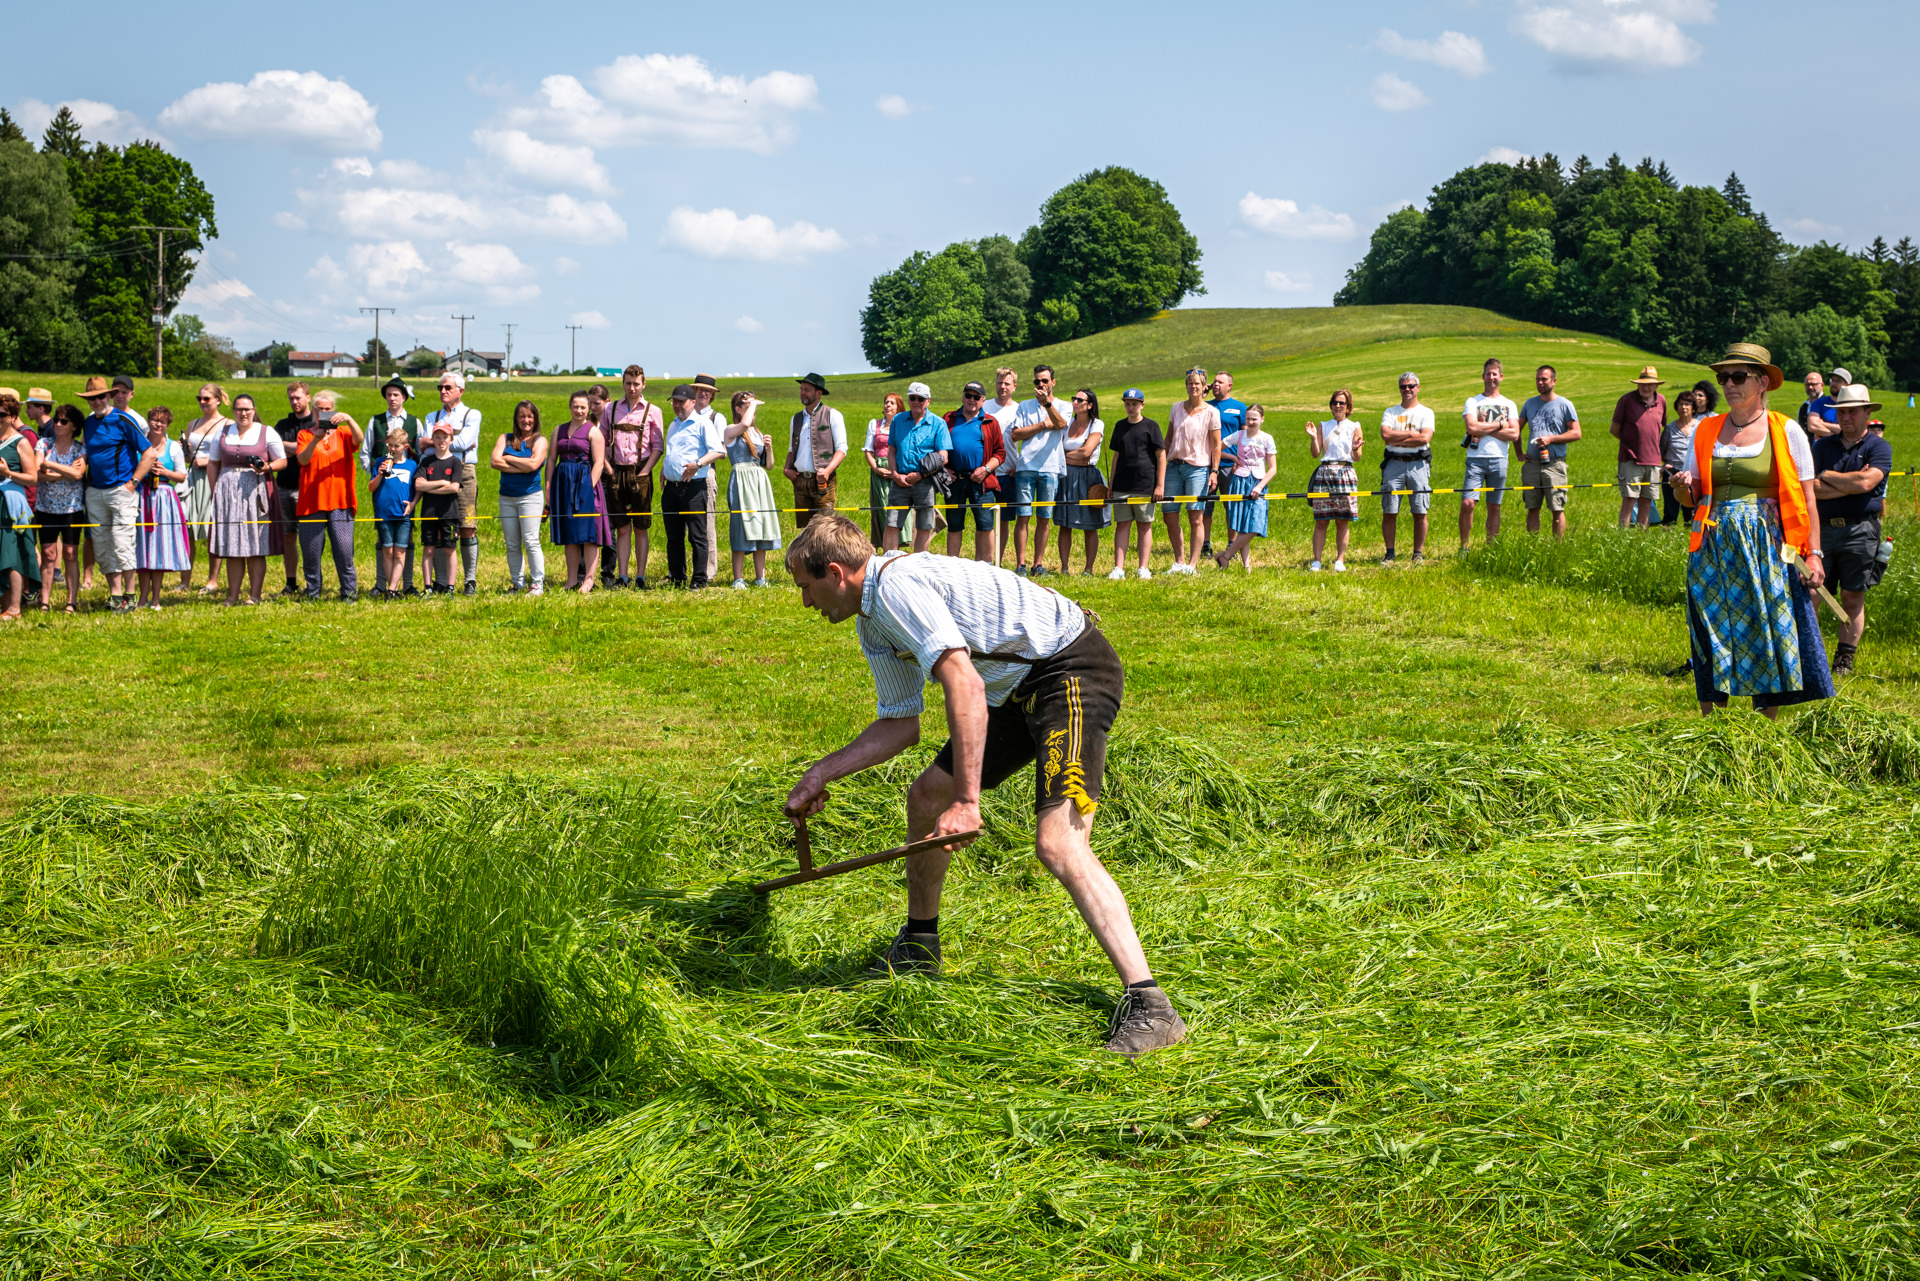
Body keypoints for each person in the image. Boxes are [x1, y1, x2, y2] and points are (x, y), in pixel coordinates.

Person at [781, 515, 1187, 1058]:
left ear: (835, 573)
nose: (805, 602)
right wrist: (820, 773)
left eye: (806, 588)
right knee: (926, 798)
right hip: (1015, 692)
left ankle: (1151, 1005)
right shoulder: (872, 620)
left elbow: (965, 684)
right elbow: (900, 724)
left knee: (1058, 843)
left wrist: (968, 802)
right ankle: (920, 944)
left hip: (1068, 670)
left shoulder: (897, 590)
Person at [1668, 343, 1832, 717]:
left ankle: (1764, 727)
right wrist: (1680, 486)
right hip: (1713, 544)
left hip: (1768, 545)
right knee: (1711, 625)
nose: (1729, 384)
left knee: (1765, 625)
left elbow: (1807, 497)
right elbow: (1691, 496)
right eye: (1724, 377)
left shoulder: (1786, 430)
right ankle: (1712, 724)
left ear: (1762, 383)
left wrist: (1814, 554)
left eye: (1738, 376)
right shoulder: (1705, 430)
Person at [1811, 383, 1894, 676]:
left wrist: (1829, 476)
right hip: (1821, 529)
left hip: (1861, 530)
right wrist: (1853, 485)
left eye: (1853, 412)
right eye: (1842, 412)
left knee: (1852, 596)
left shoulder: (1878, 447)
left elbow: (1867, 483)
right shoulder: (1822, 446)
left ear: (1867, 412)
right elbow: (1811, 487)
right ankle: (1812, 656)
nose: (1846, 417)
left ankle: (1844, 659)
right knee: (1813, 592)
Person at [79, 375, 160, 613]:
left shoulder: (123, 419)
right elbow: (86, 453)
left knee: (123, 542)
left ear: (109, 396)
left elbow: (149, 453)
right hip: (95, 491)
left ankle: (130, 595)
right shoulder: (88, 423)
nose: (97, 402)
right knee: (102, 544)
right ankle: (115, 595)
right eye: (92, 398)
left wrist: (133, 483)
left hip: (121, 490)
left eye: (100, 397)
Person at [202, 392, 287, 606]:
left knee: (255, 545)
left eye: (247, 409)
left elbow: (282, 461)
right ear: (233, 411)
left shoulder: (266, 432)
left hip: (256, 491)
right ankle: (232, 596)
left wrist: (267, 467)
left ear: (253, 410)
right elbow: (213, 463)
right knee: (233, 547)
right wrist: (215, 491)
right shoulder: (223, 432)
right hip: (227, 491)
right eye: (239, 409)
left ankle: (254, 596)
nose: (243, 413)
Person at [294, 391, 362, 601]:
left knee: (344, 551)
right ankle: (313, 592)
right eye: (320, 409)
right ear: (314, 411)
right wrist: (315, 441)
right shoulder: (305, 435)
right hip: (311, 502)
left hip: (340, 501)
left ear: (334, 410)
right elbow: (303, 460)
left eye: (328, 409)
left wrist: (349, 419)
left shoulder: (343, 433)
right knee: (311, 553)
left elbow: (359, 440)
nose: (324, 412)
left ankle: (349, 593)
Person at [361, 374, 425, 595]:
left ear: (404, 397)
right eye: (388, 394)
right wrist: (375, 473)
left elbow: (420, 454)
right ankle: (382, 584)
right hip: (382, 485)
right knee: (384, 538)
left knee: (406, 537)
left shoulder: (415, 422)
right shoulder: (376, 421)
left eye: (396, 394)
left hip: (406, 486)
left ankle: (406, 584)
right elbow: (366, 452)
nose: (392, 398)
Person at [601, 365, 663, 589]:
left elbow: (658, 446)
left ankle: (640, 576)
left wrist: (645, 472)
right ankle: (623, 576)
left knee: (641, 527)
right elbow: (601, 441)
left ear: (643, 384)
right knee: (622, 527)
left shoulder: (653, 411)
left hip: (640, 471)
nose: (632, 388)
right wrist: (609, 469)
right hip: (616, 471)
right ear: (623, 384)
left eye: (636, 384)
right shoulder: (610, 409)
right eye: (628, 383)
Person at [423, 372, 483, 595]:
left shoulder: (472, 414)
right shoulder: (432, 416)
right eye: (440, 387)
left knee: (467, 525)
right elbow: (425, 448)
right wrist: (454, 442)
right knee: (439, 526)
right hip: (436, 471)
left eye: (447, 387)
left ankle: (470, 580)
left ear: (461, 390)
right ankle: (441, 582)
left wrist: (432, 441)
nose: (443, 391)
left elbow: (464, 442)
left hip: (465, 473)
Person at [1008, 365, 1070, 576]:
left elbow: (1060, 424)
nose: (1041, 384)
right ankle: (1020, 565)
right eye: (1037, 381)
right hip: (1026, 466)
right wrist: (1042, 425)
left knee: (1044, 518)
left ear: (1053, 382)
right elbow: (1015, 435)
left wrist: (1048, 405)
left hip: (1050, 467)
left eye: (1044, 380)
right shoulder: (1024, 406)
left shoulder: (1063, 405)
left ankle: (1038, 564)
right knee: (1023, 516)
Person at [661, 384, 725, 589]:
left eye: (681, 402)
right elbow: (671, 452)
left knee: (697, 536)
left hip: (693, 487)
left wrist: (698, 464)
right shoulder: (673, 425)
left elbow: (718, 451)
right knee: (674, 537)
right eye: (674, 401)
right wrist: (664, 470)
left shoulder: (702, 423)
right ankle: (677, 577)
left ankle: (699, 579)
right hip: (671, 488)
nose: (677, 405)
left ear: (693, 402)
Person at [548, 391, 612, 593]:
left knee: (589, 534)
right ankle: (572, 579)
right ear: (570, 407)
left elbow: (599, 462)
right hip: (563, 486)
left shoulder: (594, 432)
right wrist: (549, 486)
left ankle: (589, 580)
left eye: (583, 407)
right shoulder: (558, 430)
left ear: (588, 409)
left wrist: (588, 486)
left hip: (585, 485)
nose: (579, 410)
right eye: (575, 406)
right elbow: (551, 460)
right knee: (570, 533)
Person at [1161, 367, 1221, 575]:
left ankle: (1192, 565)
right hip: (1173, 467)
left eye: (1197, 383)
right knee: (1169, 515)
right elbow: (1168, 439)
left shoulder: (1212, 412)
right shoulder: (1176, 408)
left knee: (1196, 517)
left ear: (1204, 386)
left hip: (1198, 469)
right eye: (1190, 383)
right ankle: (1179, 561)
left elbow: (1216, 445)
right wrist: (1161, 466)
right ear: (1186, 386)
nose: (1193, 387)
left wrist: (1214, 471)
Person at [1459, 358, 1519, 551]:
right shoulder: (1473, 402)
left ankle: (1490, 547)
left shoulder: (1509, 404)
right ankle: (1464, 547)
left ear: (1501, 377)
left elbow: (1514, 434)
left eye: (1494, 374)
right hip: (1475, 460)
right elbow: (1471, 427)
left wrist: (1483, 428)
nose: (1491, 377)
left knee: (1494, 506)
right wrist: (1500, 424)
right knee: (1468, 503)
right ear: (1483, 376)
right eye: (1488, 374)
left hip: (1499, 459)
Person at [883, 383, 950, 554]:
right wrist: (895, 474)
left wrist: (920, 475)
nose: (916, 402)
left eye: (921, 399)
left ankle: (919, 564)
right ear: (908, 399)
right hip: (900, 481)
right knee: (891, 524)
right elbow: (891, 450)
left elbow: (943, 457)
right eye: (913, 398)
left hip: (925, 482)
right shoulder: (898, 420)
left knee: (924, 526)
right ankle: (888, 562)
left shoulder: (938, 423)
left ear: (928, 401)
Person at [1105, 389, 1164, 581]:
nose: (1131, 407)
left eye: (1134, 404)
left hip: (1144, 484)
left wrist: (1160, 485)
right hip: (1122, 484)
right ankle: (1118, 568)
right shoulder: (1119, 426)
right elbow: (1116, 456)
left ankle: (1143, 567)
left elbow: (1161, 456)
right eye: (1127, 404)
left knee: (1144, 525)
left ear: (1142, 405)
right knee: (1122, 524)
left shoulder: (1151, 426)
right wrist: (1111, 484)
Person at [135, 406, 191, 609]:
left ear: (168, 425)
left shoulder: (173, 447)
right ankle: (142, 597)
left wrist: (164, 471)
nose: (158, 424)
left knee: (159, 547)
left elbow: (182, 476)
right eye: (154, 420)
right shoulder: (139, 444)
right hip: (142, 496)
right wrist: (144, 470)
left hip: (164, 498)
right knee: (142, 547)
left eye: (162, 422)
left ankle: (156, 598)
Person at [943, 381, 1005, 562]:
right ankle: (952, 566)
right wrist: (944, 470)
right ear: (963, 397)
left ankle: (985, 566)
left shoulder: (990, 422)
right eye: (968, 395)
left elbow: (1000, 453)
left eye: (976, 397)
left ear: (983, 400)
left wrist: (986, 469)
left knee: (985, 525)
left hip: (981, 481)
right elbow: (936, 447)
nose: (971, 400)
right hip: (954, 480)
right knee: (954, 525)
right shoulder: (949, 418)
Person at [725, 391, 782, 588]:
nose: (753, 410)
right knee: (742, 526)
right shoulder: (731, 429)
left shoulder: (756, 433)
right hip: (742, 480)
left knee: (761, 526)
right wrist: (754, 403)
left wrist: (769, 448)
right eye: (747, 406)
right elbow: (744, 424)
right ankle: (738, 578)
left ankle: (761, 578)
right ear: (738, 409)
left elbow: (769, 465)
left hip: (758, 480)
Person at [492, 400, 549, 596]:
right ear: (516, 419)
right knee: (512, 543)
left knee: (531, 540)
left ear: (535, 419)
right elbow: (494, 461)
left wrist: (508, 458)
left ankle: (537, 584)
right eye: (522, 416)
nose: (526, 420)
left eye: (530, 416)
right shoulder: (505, 438)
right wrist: (522, 466)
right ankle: (518, 584)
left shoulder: (540, 441)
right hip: (506, 497)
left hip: (530, 497)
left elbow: (534, 465)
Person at [33, 405, 85, 613]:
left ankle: (71, 602)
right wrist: (66, 472)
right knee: (48, 553)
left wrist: (50, 465)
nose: (58, 424)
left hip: (72, 508)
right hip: (46, 507)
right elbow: (37, 473)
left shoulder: (80, 449)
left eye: (64, 421)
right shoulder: (43, 444)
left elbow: (78, 475)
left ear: (74, 427)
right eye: (56, 420)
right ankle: (44, 602)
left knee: (71, 553)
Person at [1518, 365, 1581, 538]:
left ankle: (1556, 547)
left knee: (1557, 507)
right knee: (1532, 507)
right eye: (1537, 379)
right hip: (1532, 464)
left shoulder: (1564, 405)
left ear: (1554, 381)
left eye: (1544, 379)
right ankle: (1533, 545)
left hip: (1554, 464)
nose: (1540, 382)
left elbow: (1576, 433)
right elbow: (1516, 430)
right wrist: (1519, 453)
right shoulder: (1529, 404)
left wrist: (1551, 439)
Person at [1378, 371, 1435, 564]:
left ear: (1418, 388)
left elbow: (1425, 438)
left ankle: (1417, 554)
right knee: (1389, 510)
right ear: (1399, 389)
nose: (1407, 389)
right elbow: (1385, 435)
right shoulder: (1390, 412)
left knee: (1420, 510)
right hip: (1394, 463)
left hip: (1418, 464)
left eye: (1411, 386)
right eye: (1403, 386)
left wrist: (1398, 438)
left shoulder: (1426, 412)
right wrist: (1412, 434)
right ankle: (1390, 553)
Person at [1213, 404, 1277, 571]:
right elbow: (1216, 447)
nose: (1251, 422)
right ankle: (1246, 566)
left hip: (1258, 482)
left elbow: (1273, 468)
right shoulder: (1239, 435)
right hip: (1240, 481)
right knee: (1243, 526)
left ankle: (1225, 555)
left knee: (1255, 525)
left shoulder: (1267, 438)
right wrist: (1232, 457)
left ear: (1262, 419)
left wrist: (1260, 486)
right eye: (1248, 418)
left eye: (1254, 418)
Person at [1307, 389, 1364, 572]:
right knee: (1321, 520)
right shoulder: (1323, 425)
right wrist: (1314, 438)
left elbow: (1357, 457)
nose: (1338, 406)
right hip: (1325, 472)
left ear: (1348, 406)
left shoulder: (1354, 426)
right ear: (1331, 405)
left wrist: (1355, 448)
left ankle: (1340, 560)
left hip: (1345, 472)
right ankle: (1317, 561)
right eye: (1335, 403)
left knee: (1342, 519)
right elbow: (1315, 454)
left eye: (1342, 403)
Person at [180, 383, 229, 592]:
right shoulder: (193, 423)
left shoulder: (227, 424)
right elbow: (188, 457)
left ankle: (212, 580)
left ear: (218, 400)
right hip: (192, 479)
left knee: (213, 529)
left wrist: (208, 461)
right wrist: (184, 451)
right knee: (187, 529)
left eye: (206, 398)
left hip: (214, 478)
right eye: (199, 398)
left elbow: (232, 454)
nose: (202, 402)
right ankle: (184, 581)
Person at [1054, 389, 1109, 575]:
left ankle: (1088, 569)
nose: (1075, 402)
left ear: (1090, 405)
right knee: (1065, 524)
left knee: (1090, 525)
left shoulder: (1097, 424)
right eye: (1074, 399)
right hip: (1066, 476)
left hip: (1088, 476)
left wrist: (1065, 456)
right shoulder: (1068, 422)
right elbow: (1062, 450)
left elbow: (1087, 452)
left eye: (1080, 400)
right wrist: (1073, 457)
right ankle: (1064, 568)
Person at [784, 372, 847, 531]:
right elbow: (792, 448)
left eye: (807, 390)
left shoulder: (833, 415)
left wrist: (827, 471)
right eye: (801, 389)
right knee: (805, 531)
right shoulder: (796, 418)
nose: (802, 393)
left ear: (819, 393)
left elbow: (842, 449)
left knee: (824, 529)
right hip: (800, 480)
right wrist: (787, 468)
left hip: (823, 481)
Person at [272, 381, 316, 596]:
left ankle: (312, 582)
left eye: (298, 397)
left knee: (309, 538)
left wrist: (290, 447)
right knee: (288, 536)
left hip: (308, 488)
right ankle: (291, 582)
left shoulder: (317, 423)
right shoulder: (282, 425)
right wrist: (302, 449)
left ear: (308, 397)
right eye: (291, 398)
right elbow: (274, 450)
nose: (294, 401)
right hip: (283, 486)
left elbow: (311, 451)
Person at [0, 393, 41, 620]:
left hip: (10, 504)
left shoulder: (21, 442)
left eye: (2, 414)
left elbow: (32, 478)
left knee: (11, 554)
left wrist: (7, 473)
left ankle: (14, 608)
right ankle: (4, 606)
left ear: (12, 416)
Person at [1611, 366, 1667, 528]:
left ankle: (1641, 536)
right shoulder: (1626, 400)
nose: (1646, 387)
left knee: (1647, 501)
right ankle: (1623, 535)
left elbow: (1660, 427)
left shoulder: (1661, 401)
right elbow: (1614, 429)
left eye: (1650, 384)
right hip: (1631, 459)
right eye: (1642, 384)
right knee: (1629, 500)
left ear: (1656, 386)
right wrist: (1630, 444)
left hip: (1653, 461)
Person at [413, 421, 464, 596]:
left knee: (450, 549)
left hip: (449, 513)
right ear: (432, 440)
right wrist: (442, 482)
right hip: (429, 513)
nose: (441, 440)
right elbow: (418, 485)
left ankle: (450, 587)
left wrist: (429, 487)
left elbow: (454, 488)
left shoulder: (455, 462)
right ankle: (427, 587)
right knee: (428, 549)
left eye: (445, 437)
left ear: (451, 439)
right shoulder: (426, 462)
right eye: (437, 437)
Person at [1200, 371, 1247, 559]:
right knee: (1205, 507)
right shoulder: (1205, 406)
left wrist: (1240, 461)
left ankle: (1231, 545)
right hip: (1206, 463)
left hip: (1230, 464)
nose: (1216, 384)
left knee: (1231, 507)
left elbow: (1245, 438)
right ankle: (1205, 545)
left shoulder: (1239, 408)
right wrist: (1202, 395)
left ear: (1230, 386)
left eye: (1220, 382)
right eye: (1214, 382)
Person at [370, 426, 419, 599]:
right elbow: (371, 487)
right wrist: (380, 475)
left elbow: (417, 489)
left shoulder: (412, 465)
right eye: (390, 445)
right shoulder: (380, 462)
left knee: (400, 552)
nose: (392, 449)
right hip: (384, 513)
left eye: (396, 446)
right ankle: (393, 588)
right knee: (387, 551)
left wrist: (412, 504)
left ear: (405, 447)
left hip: (403, 515)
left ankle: (391, 588)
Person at [980, 368, 1020, 565]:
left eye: (1007, 384)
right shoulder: (984, 406)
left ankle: (999, 560)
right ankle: (985, 560)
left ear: (1014, 386)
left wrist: (1019, 465)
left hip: (1008, 473)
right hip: (987, 473)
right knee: (985, 520)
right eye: (999, 383)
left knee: (1003, 520)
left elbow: (1028, 441)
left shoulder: (1019, 409)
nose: (1002, 387)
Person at [690, 374, 727, 584]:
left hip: (706, 473)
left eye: (707, 391)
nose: (703, 393)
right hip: (684, 475)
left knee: (706, 523)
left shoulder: (716, 418)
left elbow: (722, 452)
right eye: (699, 389)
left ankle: (709, 570)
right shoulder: (686, 414)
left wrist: (700, 462)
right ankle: (682, 569)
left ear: (712, 395)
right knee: (684, 525)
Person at [863, 393, 905, 547]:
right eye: (886, 402)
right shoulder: (874, 424)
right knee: (883, 510)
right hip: (879, 472)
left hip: (899, 470)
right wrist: (876, 468)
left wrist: (896, 471)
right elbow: (868, 450)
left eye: (892, 403)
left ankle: (900, 544)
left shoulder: (903, 425)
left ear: (899, 407)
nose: (888, 405)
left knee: (900, 509)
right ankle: (887, 545)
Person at [1798, 369, 1837, 437]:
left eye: (1813, 384)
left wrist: (1835, 437)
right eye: (1807, 384)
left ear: (1822, 385)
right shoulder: (1803, 407)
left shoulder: (1830, 405)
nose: (1810, 387)